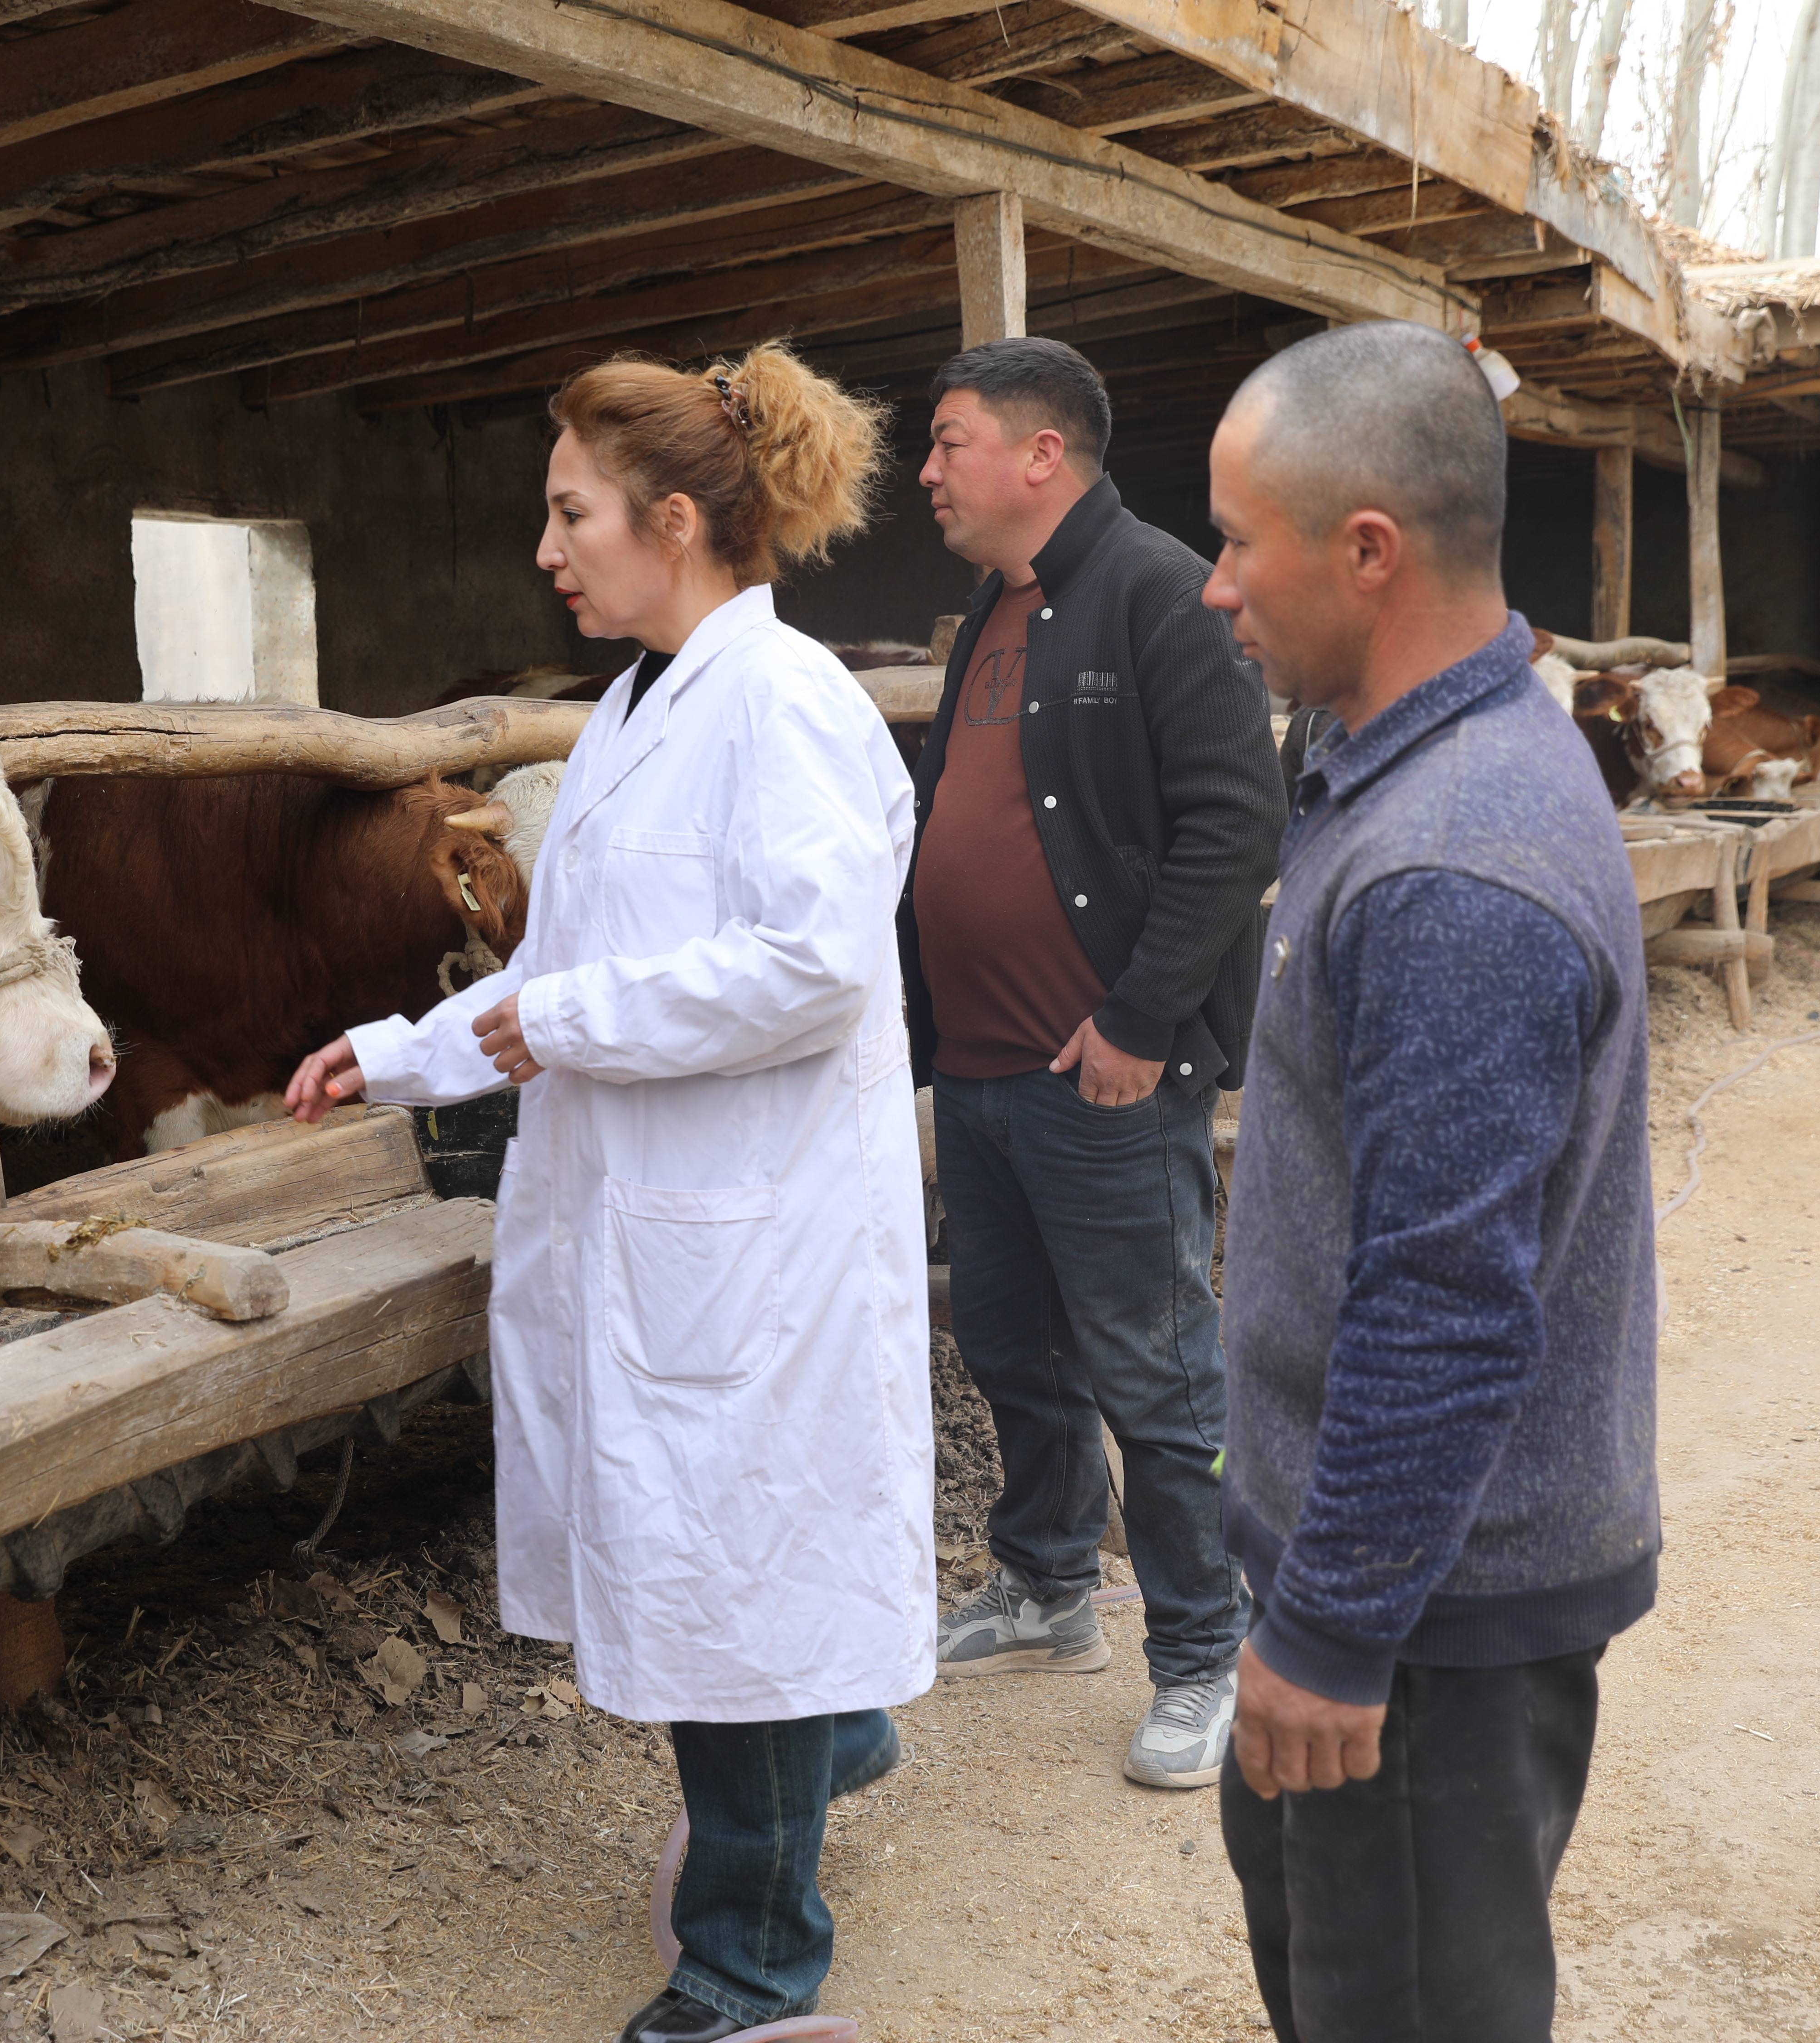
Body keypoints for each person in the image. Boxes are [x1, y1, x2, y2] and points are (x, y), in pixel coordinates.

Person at [282, 343, 932, 2043]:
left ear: (673, 518)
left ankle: (751, 1969)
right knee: (711, 1579)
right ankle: (825, 1749)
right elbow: (566, 970)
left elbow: (808, 970)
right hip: (661, 1217)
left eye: (573, 516)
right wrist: (397, 1052)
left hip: (751, 1238)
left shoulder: (785, 708)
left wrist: (555, 1021)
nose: (551, 552)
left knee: (729, 1591)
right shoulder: (649, 701)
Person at [1199, 321, 1659, 2043]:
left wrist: (1328, 1630)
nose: (1216, 587)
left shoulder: (1456, 857)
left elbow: (1448, 1301)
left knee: (1394, 2007)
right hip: (1406, 1574)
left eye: (1240, 542)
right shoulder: (1414, 773)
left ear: (1368, 549)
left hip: (1425, 1616)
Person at [898, 335, 1282, 1789]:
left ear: (1040, 454)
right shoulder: (992, 613)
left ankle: (1205, 1652)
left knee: (1158, 1370)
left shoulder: (1163, 593)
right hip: (985, 1071)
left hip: (1102, 1076)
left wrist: (1136, 1025)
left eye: (948, 442)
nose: (928, 471)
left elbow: (1236, 824)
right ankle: (1052, 1585)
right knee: (1010, 1347)